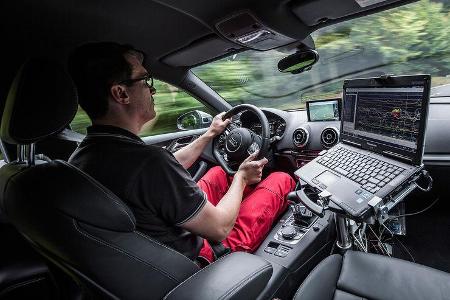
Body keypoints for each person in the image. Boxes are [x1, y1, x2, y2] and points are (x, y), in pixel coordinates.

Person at [68, 42, 295, 265]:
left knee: (218, 173)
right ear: (121, 93)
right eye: (145, 80)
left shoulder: (84, 157)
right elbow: (219, 229)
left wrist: (209, 134)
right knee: (280, 179)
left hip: (152, 248)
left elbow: (165, 169)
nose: (153, 89)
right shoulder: (148, 162)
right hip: (198, 258)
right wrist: (242, 177)